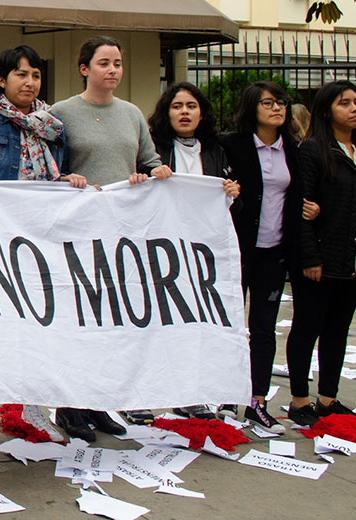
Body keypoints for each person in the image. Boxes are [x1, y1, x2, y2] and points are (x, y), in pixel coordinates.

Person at [0, 44, 85, 445]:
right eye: (21, 74)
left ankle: (33, 408)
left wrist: (67, 182)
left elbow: (56, 172)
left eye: (36, 75)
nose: (29, 81)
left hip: (41, 240)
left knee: (39, 325)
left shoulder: (53, 124)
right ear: (2, 81)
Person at [49, 35, 171, 438]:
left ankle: (100, 404)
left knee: (110, 322)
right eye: (104, 63)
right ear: (84, 68)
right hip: (75, 232)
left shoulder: (133, 114)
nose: (113, 70)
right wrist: (67, 180)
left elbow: (149, 161)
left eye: (117, 63)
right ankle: (70, 408)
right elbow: (47, 170)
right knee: (76, 322)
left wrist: (154, 174)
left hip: (121, 235)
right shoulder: (60, 113)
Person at [146, 82, 242, 420]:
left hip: (200, 251)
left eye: (191, 106)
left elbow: (228, 205)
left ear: (202, 113)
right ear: (165, 113)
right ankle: (140, 396)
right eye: (176, 106)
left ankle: (188, 392)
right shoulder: (154, 149)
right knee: (153, 320)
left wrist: (231, 192)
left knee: (191, 321)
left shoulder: (216, 150)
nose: (184, 112)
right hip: (159, 248)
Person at [284, 80, 356, 425]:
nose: (354, 109)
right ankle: (299, 400)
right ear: (325, 111)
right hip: (321, 258)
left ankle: (328, 398)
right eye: (344, 103)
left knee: (338, 329)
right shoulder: (313, 150)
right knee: (307, 328)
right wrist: (310, 257)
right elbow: (301, 208)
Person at [219, 81, 304, 433]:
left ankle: (257, 401)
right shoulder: (232, 146)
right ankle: (226, 395)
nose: (277, 108)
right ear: (251, 107)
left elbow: (300, 193)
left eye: (281, 102)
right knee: (232, 325)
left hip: (275, 251)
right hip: (238, 249)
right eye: (268, 102)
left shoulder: (294, 150)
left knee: (264, 328)